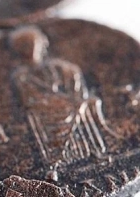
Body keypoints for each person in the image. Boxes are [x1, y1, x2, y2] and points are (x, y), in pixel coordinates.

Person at [10, 27, 120, 180]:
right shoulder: (21, 76)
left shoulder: (57, 66)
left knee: (89, 102)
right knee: (76, 106)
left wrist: (69, 86)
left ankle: (97, 150)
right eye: (27, 46)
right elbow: (30, 100)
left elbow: (72, 77)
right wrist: (57, 99)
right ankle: (56, 162)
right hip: (43, 109)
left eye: (34, 45)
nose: (32, 49)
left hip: (65, 102)